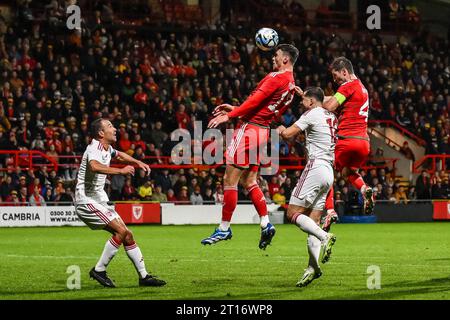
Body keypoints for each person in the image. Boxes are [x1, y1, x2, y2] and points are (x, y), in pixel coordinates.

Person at [201, 44, 299, 249]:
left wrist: (230, 115)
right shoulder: (291, 85)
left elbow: (255, 101)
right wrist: (237, 109)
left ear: (285, 60)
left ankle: (224, 227)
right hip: (263, 132)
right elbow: (264, 108)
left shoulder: (276, 78)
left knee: (229, 179)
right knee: (250, 180)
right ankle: (265, 223)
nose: (273, 59)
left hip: (250, 130)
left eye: (276, 56)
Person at [74, 118, 166, 288]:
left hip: (99, 199)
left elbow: (120, 155)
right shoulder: (94, 147)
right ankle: (99, 270)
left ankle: (144, 277)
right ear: (101, 133)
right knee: (121, 231)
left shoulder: (107, 148)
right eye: (110, 126)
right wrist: (121, 171)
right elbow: (94, 166)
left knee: (127, 235)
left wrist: (137, 162)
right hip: (86, 200)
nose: (115, 129)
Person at [277, 87, 337, 287]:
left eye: (303, 100)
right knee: (313, 221)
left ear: (312, 102)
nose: (301, 103)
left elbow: (288, 134)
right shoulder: (332, 116)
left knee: (292, 213)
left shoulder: (310, 114)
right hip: (329, 171)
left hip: (316, 167)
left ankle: (325, 236)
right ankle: (313, 268)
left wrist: (279, 129)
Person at [321, 57, 374, 232]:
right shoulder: (362, 88)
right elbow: (335, 98)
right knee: (347, 172)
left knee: (326, 170)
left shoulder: (347, 86)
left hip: (346, 139)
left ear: (345, 71)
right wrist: (312, 95)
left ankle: (329, 211)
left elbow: (330, 106)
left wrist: (315, 103)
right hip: (363, 143)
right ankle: (364, 188)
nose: (336, 82)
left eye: (336, 77)